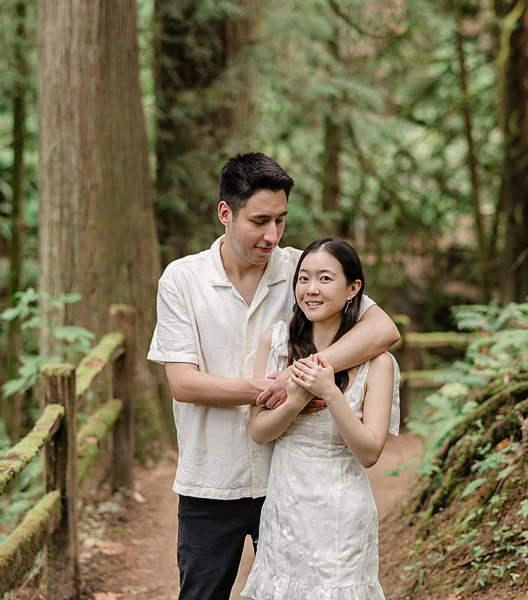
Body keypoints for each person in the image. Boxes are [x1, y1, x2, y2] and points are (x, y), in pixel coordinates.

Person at [147, 153, 399, 600]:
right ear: (225, 213)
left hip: (286, 484)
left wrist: (309, 370)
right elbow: (183, 383)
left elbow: (382, 329)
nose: (272, 235)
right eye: (260, 221)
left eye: (280, 220)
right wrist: (275, 387)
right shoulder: (182, 280)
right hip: (211, 478)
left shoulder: (304, 273)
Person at [241, 238, 399, 600]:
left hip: (343, 516)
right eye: (304, 278)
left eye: (325, 278)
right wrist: (294, 401)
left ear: (353, 289)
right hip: (286, 508)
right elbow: (259, 431)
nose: (311, 289)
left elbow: (369, 453)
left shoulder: (379, 363)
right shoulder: (276, 343)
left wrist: (330, 392)